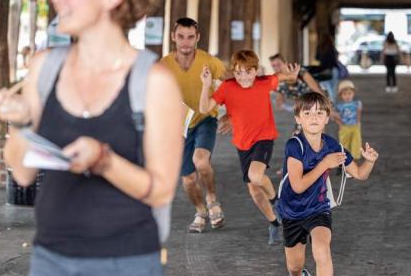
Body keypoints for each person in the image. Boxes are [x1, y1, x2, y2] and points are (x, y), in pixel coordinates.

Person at [0, 0, 183, 275]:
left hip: (128, 260)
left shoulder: (153, 81)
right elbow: (21, 173)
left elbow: (161, 191)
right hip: (50, 257)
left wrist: (104, 161)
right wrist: (19, 122)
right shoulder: (44, 67)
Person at [199, 49, 300, 245]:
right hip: (242, 144)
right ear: (233, 72)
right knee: (254, 190)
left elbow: (283, 76)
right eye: (238, 73)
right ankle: (274, 224)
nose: (243, 77)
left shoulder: (264, 83)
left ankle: (277, 202)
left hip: (264, 138)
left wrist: (292, 75)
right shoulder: (227, 88)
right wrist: (205, 85)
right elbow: (204, 108)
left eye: (248, 72)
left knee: (255, 175)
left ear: (256, 71)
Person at [277, 92, 379, 276]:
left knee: (322, 250)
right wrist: (324, 164)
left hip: (318, 208)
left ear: (327, 118)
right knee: (294, 267)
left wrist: (369, 162)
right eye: (307, 113)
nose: (313, 117)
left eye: (319, 113)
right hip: (291, 211)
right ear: (298, 119)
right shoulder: (294, 146)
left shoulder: (332, 146)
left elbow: (358, 174)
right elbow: (298, 186)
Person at [161, 17, 226, 233]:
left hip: (205, 118)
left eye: (190, 37)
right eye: (181, 37)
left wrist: (232, 116)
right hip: (178, 125)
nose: (185, 42)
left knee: (201, 161)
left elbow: (230, 89)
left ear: (197, 38)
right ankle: (200, 211)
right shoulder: (164, 65)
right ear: (173, 37)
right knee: (188, 180)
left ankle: (212, 199)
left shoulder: (211, 62)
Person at [334, 80, 362, 168]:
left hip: (354, 126)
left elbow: (358, 112)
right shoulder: (339, 106)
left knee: (355, 143)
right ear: (341, 95)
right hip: (345, 127)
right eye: (345, 94)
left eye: (349, 93)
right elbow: (334, 116)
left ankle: (352, 164)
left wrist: (358, 122)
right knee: (344, 145)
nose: (347, 96)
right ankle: (342, 164)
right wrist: (340, 124)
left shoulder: (356, 104)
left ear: (353, 93)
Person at [315, 36, 340, 102]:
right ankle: (333, 102)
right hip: (334, 70)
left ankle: (330, 102)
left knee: (327, 87)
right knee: (334, 88)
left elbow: (317, 58)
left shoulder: (320, 48)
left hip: (324, 70)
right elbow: (335, 59)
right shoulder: (332, 48)